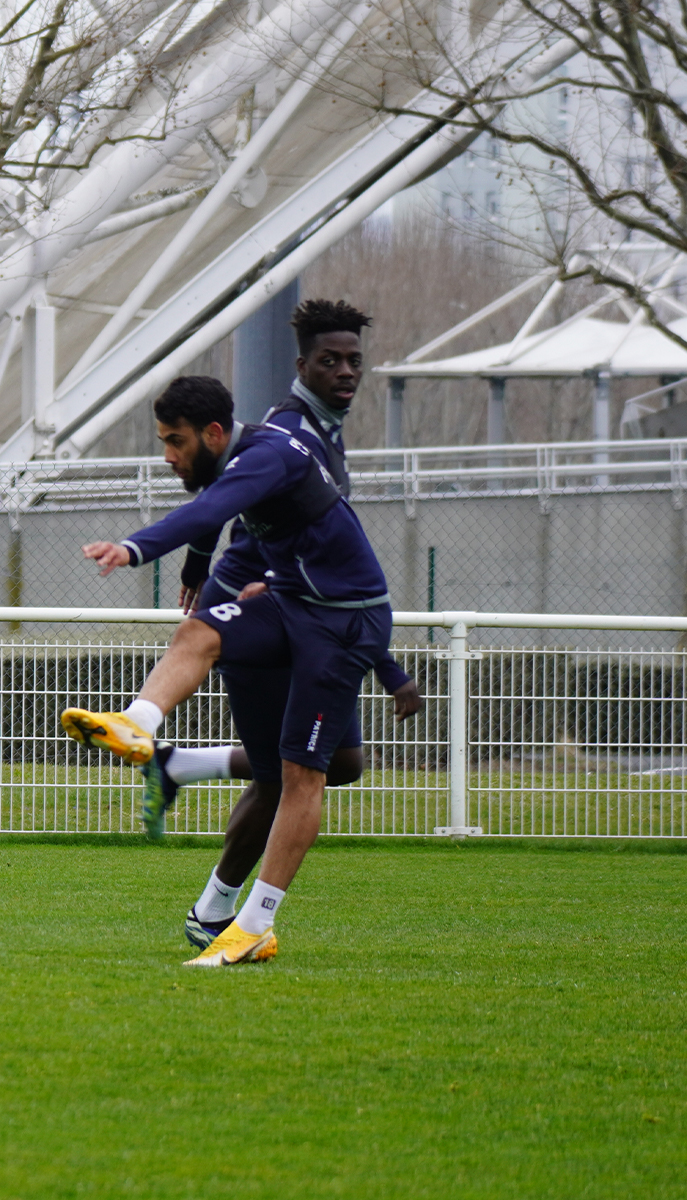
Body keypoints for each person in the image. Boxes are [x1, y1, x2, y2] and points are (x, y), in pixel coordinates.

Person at [59, 374, 393, 967]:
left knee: (300, 776)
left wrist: (133, 548)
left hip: (343, 624)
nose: (168, 456)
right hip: (291, 603)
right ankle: (138, 723)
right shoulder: (249, 452)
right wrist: (201, 568)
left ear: (214, 434)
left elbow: (210, 508)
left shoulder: (265, 456)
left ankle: (255, 924)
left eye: (176, 442)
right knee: (200, 631)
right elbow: (217, 515)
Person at [147, 300, 422, 950]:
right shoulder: (289, 424)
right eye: (331, 360)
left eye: (354, 359)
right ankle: (219, 914)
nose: (346, 371)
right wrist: (203, 562)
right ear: (302, 365)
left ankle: (182, 767)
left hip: (304, 608)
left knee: (339, 763)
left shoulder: (323, 425)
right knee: (293, 773)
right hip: (263, 611)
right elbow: (223, 492)